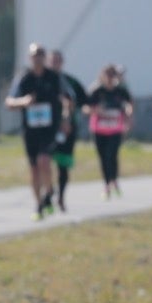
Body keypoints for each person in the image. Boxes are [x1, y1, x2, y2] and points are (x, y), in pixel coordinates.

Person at [5, 43, 66, 219]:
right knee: (34, 169)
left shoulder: (54, 78)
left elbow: (67, 99)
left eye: (41, 54)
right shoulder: (24, 78)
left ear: (45, 58)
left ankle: (49, 191)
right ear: (30, 58)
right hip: (30, 130)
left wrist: (65, 120)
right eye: (34, 55)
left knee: (44, 160)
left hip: (49, 128)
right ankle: (39, 204)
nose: (37, 58)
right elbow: (9, 102)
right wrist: (23, 102)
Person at [83, 63, 132, 198]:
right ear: (102, 76)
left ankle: (114, 180)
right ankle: (106, 184)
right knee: (103, 157)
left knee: (112, 154)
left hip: (115, 129)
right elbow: (85, 108)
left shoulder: (120, 91)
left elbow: (129, 104)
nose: (110, 78)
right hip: (99, 129)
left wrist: (128, 115)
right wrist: (94, 110)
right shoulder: (96, 91)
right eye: (107, 75)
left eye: (112, 75)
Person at [48, 49, 88, 212]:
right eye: (53, 60)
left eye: (58, 60)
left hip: (67, 129)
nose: (55, 63)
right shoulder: (42, 80)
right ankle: (48, 192)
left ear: (62, 62)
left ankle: (61, 198)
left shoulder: (70, 82)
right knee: (44, 162)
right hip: (47, 130)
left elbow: (85, 101)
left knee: (63, 165)